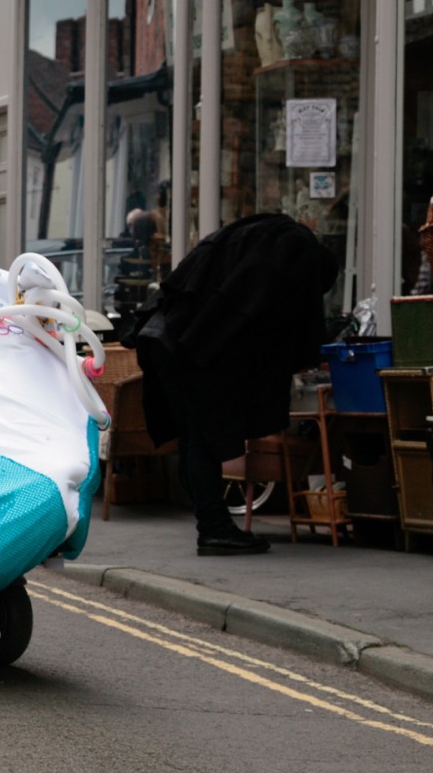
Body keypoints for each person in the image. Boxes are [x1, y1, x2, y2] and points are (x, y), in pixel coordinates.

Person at [130, 213, 337, 555]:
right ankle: (213, 529)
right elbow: (267, 315)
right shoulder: (296, 248)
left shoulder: (267, 233)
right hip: (185, 338)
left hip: (166, 330)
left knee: (196, 436)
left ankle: (212, 524)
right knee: (204, 437)